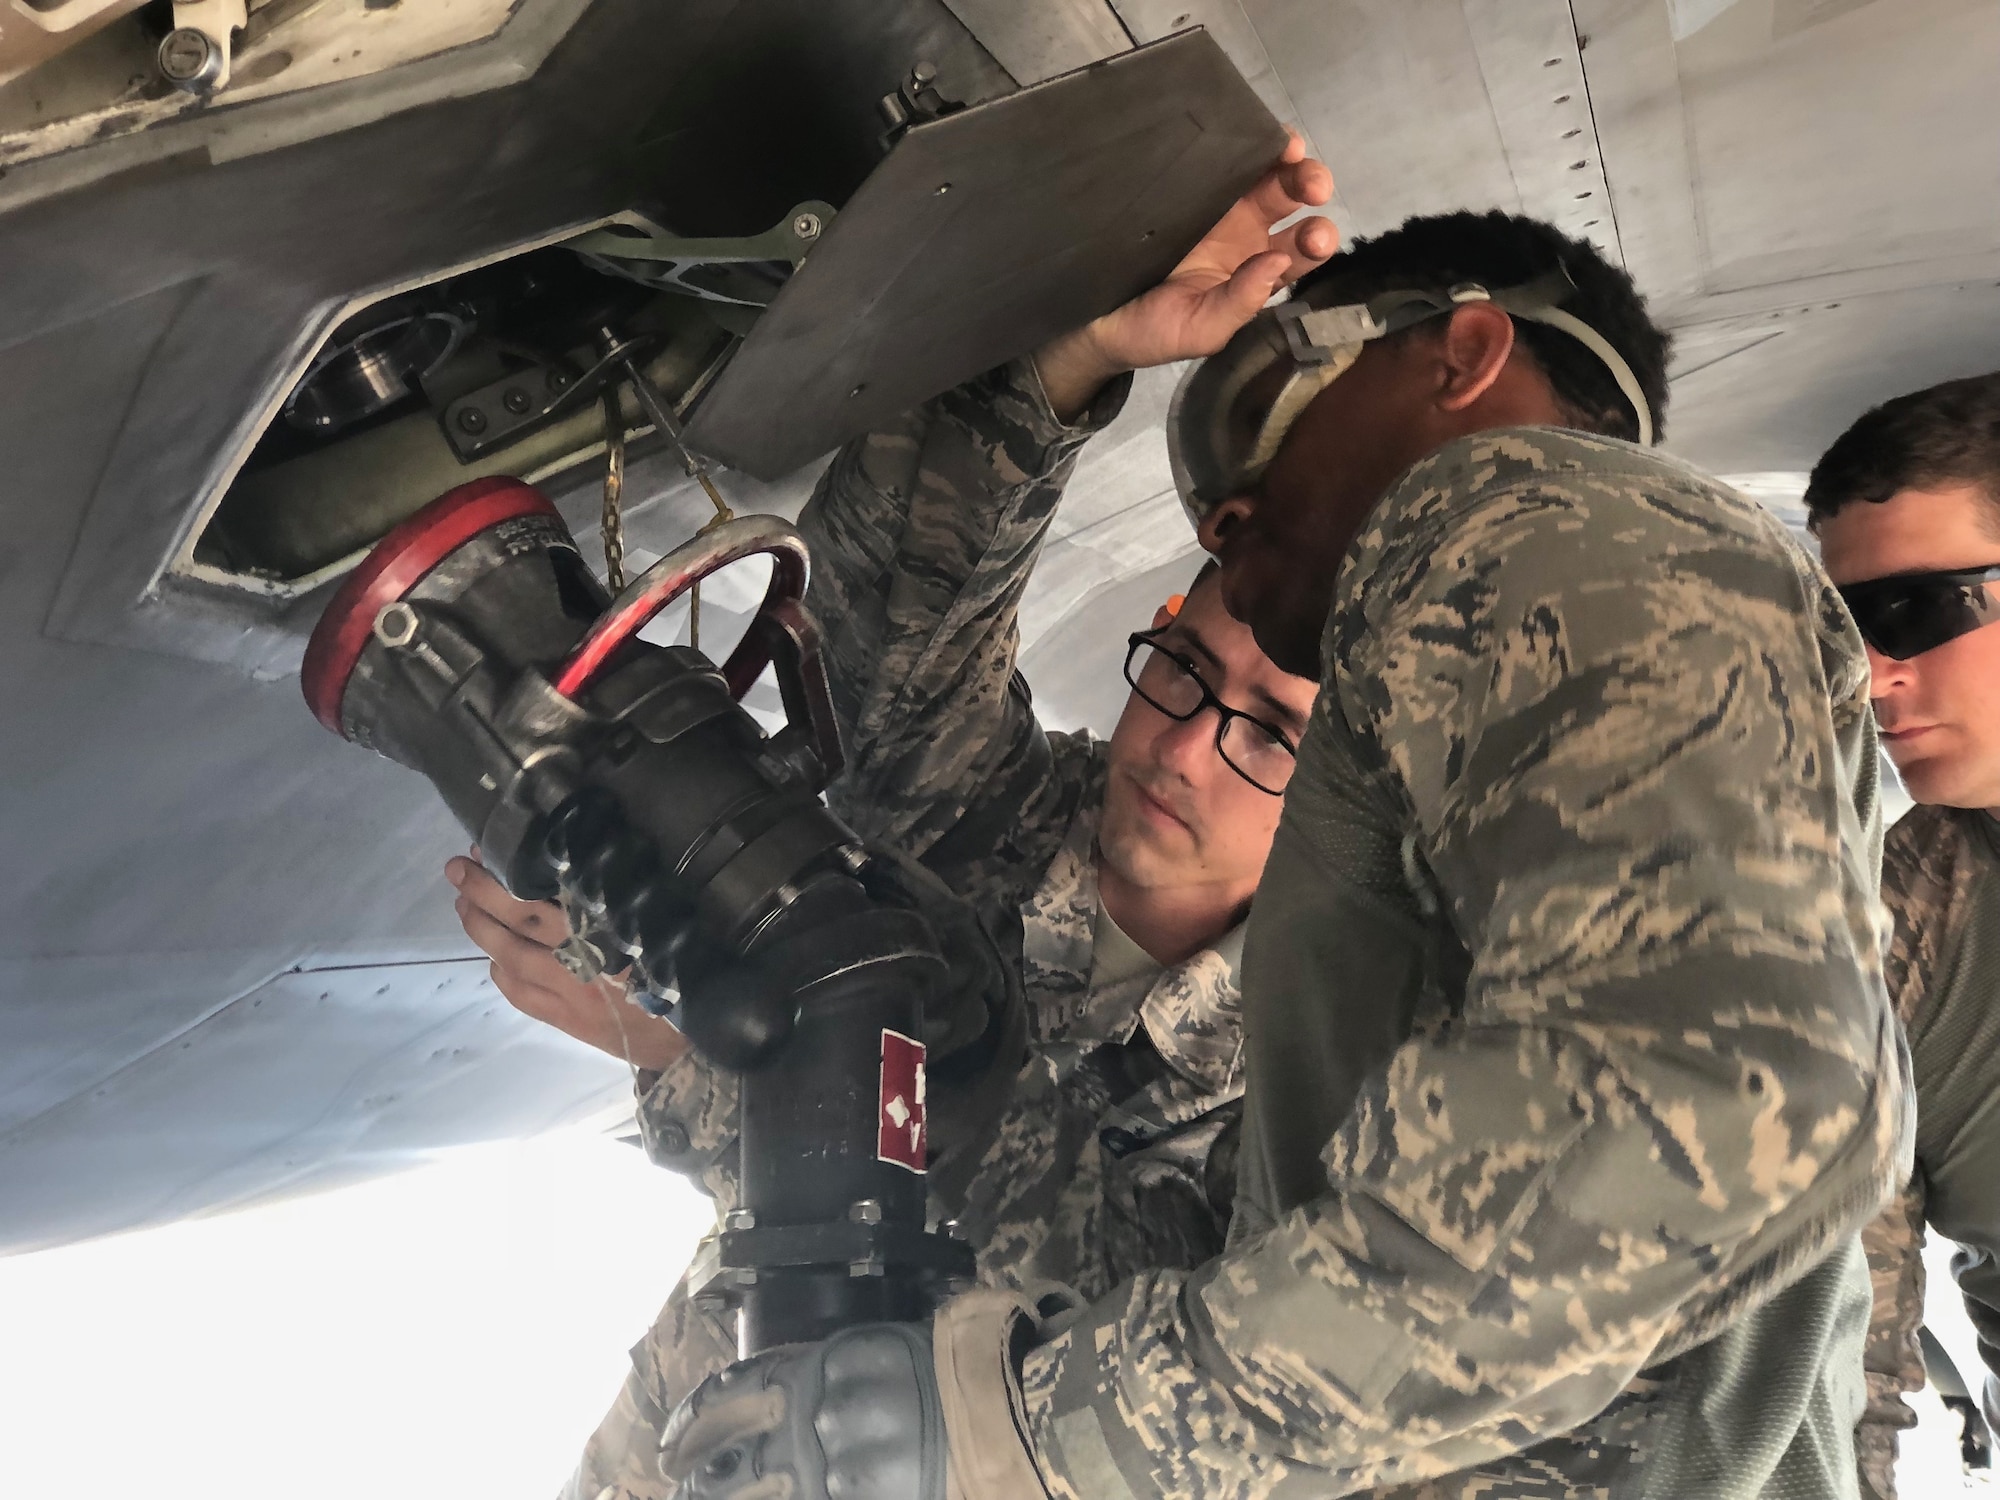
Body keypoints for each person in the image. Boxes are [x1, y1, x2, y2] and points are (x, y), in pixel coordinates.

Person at [651, 208, 1910, 1500]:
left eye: (1266, 409)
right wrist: (1067, 353)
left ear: (1461, 357)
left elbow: (1720, 1091)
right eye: (1186, 674)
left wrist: (1040, 1435)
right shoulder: (1405, 896)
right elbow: (891, 687)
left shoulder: (1537, 514)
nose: (1227, 511)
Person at [448, 142, 1338, 1500]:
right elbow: (892, 633)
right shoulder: (1007, 817)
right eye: (1185, 670)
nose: (1185, 745)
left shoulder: (1298, 1094)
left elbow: (1057, 1313)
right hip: (684, 1445)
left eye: (1270, 733)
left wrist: (687, 1048)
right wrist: (1075, 352)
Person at [1804, 371, 2000, 1500]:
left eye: (1914, 611)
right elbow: (1840, 1340)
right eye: (1841, 631)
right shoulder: (1886, 916)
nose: (1870, 678)